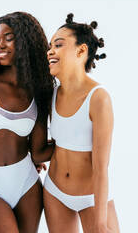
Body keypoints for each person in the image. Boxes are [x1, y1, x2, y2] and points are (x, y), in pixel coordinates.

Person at [0, 12, 55, 233]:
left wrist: (78, 146)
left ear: (25, 42)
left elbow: (39, 152)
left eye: (8, 38)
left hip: (27, 183)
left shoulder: (40, 90)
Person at [44, 13, 120, 233]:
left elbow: (101, 168)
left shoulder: (98, 98)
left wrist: (100, 222)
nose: (50, 51)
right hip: (55, 193)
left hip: (92, 198)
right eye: (50, 46)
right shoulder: (52, 93)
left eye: (58, 45)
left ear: (81, 50)